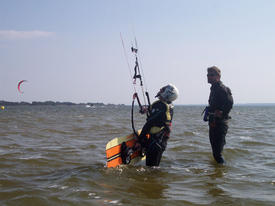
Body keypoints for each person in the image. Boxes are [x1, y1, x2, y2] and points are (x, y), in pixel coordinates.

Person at [137, 84, 179, 166]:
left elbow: (149, 123)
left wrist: (140, 141)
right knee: (154, 168)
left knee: (151, 170)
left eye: (163, 89)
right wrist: (146, 109)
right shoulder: (166, 105)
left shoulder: (162, 106)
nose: (160, 89)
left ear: (168, 93)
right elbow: (154, 111)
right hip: (160, 141)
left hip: (155, 143)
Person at [204, 66, 233, 164]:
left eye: (211, 75)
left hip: (220, 123)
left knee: (217, 154)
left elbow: (230, 102)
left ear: (218, 76)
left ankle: (223, 174)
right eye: (208, 75)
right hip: (213, 122)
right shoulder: (214, 88)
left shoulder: (221, 88)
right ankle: (217, 176)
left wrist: (222, 113)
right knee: (215, 152)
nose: (209, 77)